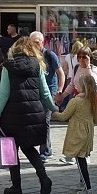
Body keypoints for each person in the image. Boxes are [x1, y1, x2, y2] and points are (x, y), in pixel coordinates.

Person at [0, 36, 57, 194]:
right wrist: (54, 108)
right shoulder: (37, 65)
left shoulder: (8, 66)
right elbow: (45, 92)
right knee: (29, 148)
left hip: (11, 115)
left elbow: (4, 94)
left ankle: (16, 187)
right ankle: (44, 178)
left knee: (10, 150)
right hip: (33, 113)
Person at [53, 72, 97, 194]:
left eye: (76, 84)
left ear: (81, 86)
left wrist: (54, 111)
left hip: (78, 132)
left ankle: (87, 187)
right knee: (82, 157)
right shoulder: (92, 100)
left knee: (80, 160)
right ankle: (82, 183)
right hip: (88, 133)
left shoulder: (76, 101)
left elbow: (64, 116)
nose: (75, 86)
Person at [31, 31, 64, 161]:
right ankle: (46, 149)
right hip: (36, 92)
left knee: (45, 121)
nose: (34, 45)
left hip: (49, 92)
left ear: (42, 42)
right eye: (32, 43)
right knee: (38, 121)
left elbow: (60, 74)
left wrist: (59, 91)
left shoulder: (50, 55)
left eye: (36, 42)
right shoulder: (31, 56)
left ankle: (44, 151)